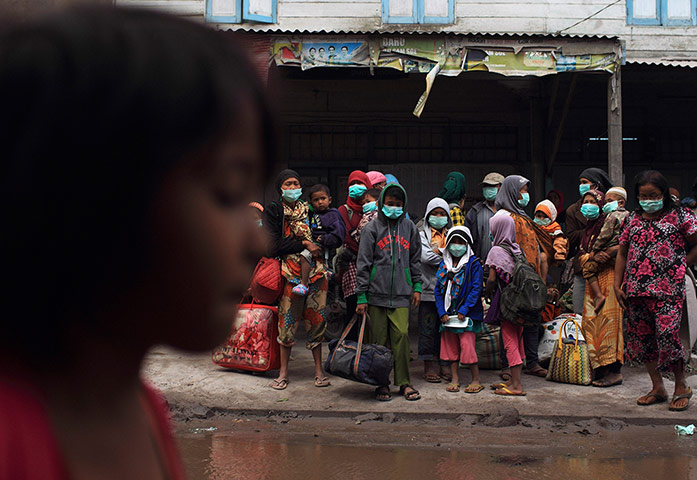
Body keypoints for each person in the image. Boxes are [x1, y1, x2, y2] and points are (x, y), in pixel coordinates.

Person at [0, 6, 274, 478]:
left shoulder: (141, 405)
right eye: (227, 192)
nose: (259, 240)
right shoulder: (11, 435)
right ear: (97, 201)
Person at [615, 170, 697, 411]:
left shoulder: (681, 217)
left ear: (663, 194)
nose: (648, 199)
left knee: (668, 337)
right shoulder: (632, 219)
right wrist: (616, 285)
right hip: (636, 290)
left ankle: (681, 385)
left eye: (653, 195)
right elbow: (622, 252)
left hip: (668, 290)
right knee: (643, 340)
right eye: (643, 195)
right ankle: (658, 387)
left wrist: (681, 265)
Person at [356, 184, 422, 402]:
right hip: (375, 294)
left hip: (402, 294)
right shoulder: (371, 229)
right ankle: (381, 383)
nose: (394, 208)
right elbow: (363, 263)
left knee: (402, 337)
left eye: (398, 205)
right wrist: (362, 296)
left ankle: (403, 382)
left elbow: (415, 260)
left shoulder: (410, 228)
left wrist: (417, 286)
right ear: (382, 203)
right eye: (390, 204)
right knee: (378, 341)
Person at [265, 170, 330, 390]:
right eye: (288, 184)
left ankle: (319, 371)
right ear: (280, 189)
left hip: (317, 273)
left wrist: (318, 243)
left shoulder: (310, 209)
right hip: (288, 274)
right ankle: (283, 373)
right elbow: (273, 245)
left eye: (296, 183)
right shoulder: (274, 211)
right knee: (287, 323)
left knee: (317, 321)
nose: (293, 187)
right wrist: (304, 244)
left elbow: (327, 231)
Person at [494, 175, 547, 379]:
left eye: (526, 190)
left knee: (532, 319)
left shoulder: (522, 216)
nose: (525, 195)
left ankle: (531, 362)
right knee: (509, 319)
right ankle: (507, 365)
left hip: (530, 278)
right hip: (514, 278)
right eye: (522, 190)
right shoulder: (506, 217)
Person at [577, 189, 625, 387]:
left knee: (610, 324)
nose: (588, 205)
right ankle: (599, 368)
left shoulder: (613, 222)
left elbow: (625, 246)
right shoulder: (588, 229)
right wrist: (593, 256)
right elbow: (581, 255)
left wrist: (609, 252)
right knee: (591, 323)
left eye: (593, 201)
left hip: (612, 277)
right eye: (585, 201)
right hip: (593, 282)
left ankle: (614, 371)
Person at [435, 227, 484, 394]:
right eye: (453, 242)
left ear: (467, 244)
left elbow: (476, 289)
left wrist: (465, 309)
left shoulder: (473, 264)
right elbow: (438, 290)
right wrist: (442, 312)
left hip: (466, 315)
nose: (457, 246)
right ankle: (455, 379)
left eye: (461, 242)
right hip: (448, 315)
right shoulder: (444, 264)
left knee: (467, 346)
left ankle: (475, 379)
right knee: (451, 349)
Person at [484, 214, 527, 396]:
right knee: (518, 339)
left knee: (509, 341)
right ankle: (513, 379)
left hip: (507, 304)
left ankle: (516, 386)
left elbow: (493, 279)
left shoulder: (495, 251)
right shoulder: (517, 249)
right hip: (521, 303)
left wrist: (487, 290)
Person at [566, 168, 613, 314]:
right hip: (583, 265)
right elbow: (571, 236)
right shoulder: (573, 210)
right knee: (580, 311)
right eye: (580, 183)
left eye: (585, 182)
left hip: (607, 266)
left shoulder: (609, 214)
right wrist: (591, 229)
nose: (581, 186)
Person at [418, 197, 453, 383]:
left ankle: (444, 364)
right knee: (427, 329)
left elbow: (462, 253)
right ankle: (428, 365)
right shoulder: (421, 234)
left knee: (445, 330)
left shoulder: (453, 234)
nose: (438, 217)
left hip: (448, 292)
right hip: (427, 290)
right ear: (427, 215)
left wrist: (440, 252)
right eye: (434, 214)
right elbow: (425, 257)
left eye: (442, 214)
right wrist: (449, 256)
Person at [582, 186, 629, 313]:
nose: (606, 204)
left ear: (620, 202)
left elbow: (604, 235)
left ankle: (599, 295)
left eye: (609, 201)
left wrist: (594, 250)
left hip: (609, 255)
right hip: (621, 257)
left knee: (587, 269)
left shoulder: (611, 216)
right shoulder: (629, 216)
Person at [337, 170, 370, 338]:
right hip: (351, 267)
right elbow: (342, 236)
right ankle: (351, 353)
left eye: (360, 184)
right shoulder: (343, 211)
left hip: (372, 266)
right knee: (352, 310)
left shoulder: (371, 208)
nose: (356, 188)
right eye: (352, 185)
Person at [308, 184, 346, 278]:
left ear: (329, 200)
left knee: (328, 277)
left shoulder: (333, 215)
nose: (320, 202)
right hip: (314, 252)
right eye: (316, 200)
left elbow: (338, 235)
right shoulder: (312, 214)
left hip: (328, 252)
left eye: (323, 198)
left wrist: (324, 239)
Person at [465, 172, 504, 263]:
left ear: (502, 188)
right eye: (486, 186)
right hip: (482, 263)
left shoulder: (509, 212)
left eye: (492, 186)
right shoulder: (475, 212)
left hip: (505, 266)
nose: (488, 189)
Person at [532, 199, 568, 282]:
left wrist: (559, 256)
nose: (541, 219)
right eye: (538, 216)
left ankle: (543, 282)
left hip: (551, 261)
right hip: (535, 261)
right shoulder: (531, 227)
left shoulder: (555, 229)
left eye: (544, 216)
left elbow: (560, 243)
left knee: (543, 256)